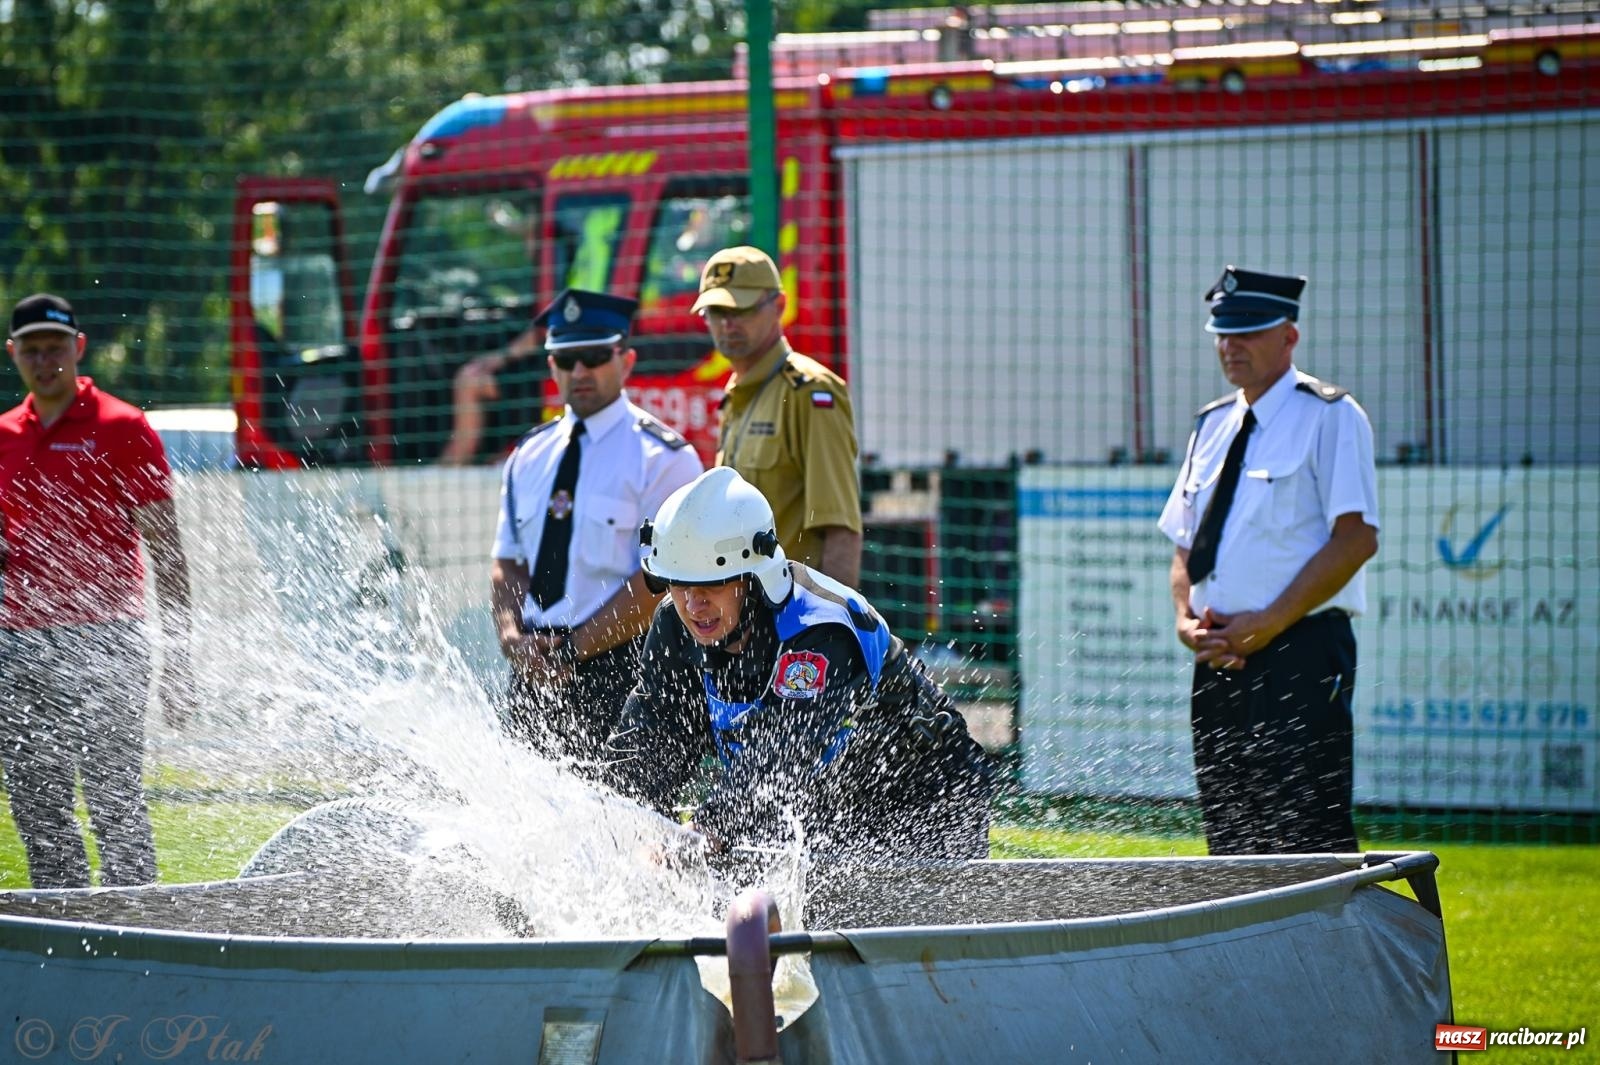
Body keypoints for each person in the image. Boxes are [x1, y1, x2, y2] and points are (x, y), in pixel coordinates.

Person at [602, 466, 993, 876]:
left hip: (927, 809)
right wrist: (618, 825)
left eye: (712, 585)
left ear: (753, 580)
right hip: (828, 809)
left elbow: (780, 761)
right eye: (679, 585)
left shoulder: (820, 632)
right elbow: (648, 738)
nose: (693, 604)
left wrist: (701, 833)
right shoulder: (674, 625)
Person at [1157, 267, 1379, 855]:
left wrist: (1270, 622)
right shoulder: (1210, 424)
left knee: (1308, 838)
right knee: (1230, 842)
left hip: (1299, 654)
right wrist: (1186, 618)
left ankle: (1331, 951)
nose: (1232, 345)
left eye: (1249, 331)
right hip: (1218, 657)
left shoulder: (1331, 416)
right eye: (1223, 332)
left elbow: (1355, 540)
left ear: (1289, 336)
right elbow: (1186, 544)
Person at [0, 293, 194, 888]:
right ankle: (61, 945)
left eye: (54, 347)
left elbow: (167, 551)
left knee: (114, 802)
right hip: (18, 646)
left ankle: (140, 934)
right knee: (37, 808)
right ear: (13, 356)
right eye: (30, 350)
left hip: (107, 641)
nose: (44, 360)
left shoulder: (123, 425)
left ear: (78, 348)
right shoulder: (3, 434)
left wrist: (180, 663)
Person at [491, 288, 702, 763]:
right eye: (565, 360)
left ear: (625, 360)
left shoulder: (662, 459)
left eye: (593, 356)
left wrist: (572, 650)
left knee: (621, 824)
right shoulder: (528, 454)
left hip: (625, 671)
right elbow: (507, 559)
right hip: (533, 668)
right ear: (551, 368)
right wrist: (511, 638)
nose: (580, 372)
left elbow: (661, 580)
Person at [692, 246, 863, 587]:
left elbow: (841, 529)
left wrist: (825, 631)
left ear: (780, 307)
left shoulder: (810, 392)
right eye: (715, 311)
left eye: (741, 309)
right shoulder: (736, 394)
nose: (727, 324)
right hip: (742, 618)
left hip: (792, 614)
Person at [440, 324, 541, 466]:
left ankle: (446, 470)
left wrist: (501, 356)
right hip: (522, 367)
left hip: (536, 373)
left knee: (469, 379)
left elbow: (545, 328)